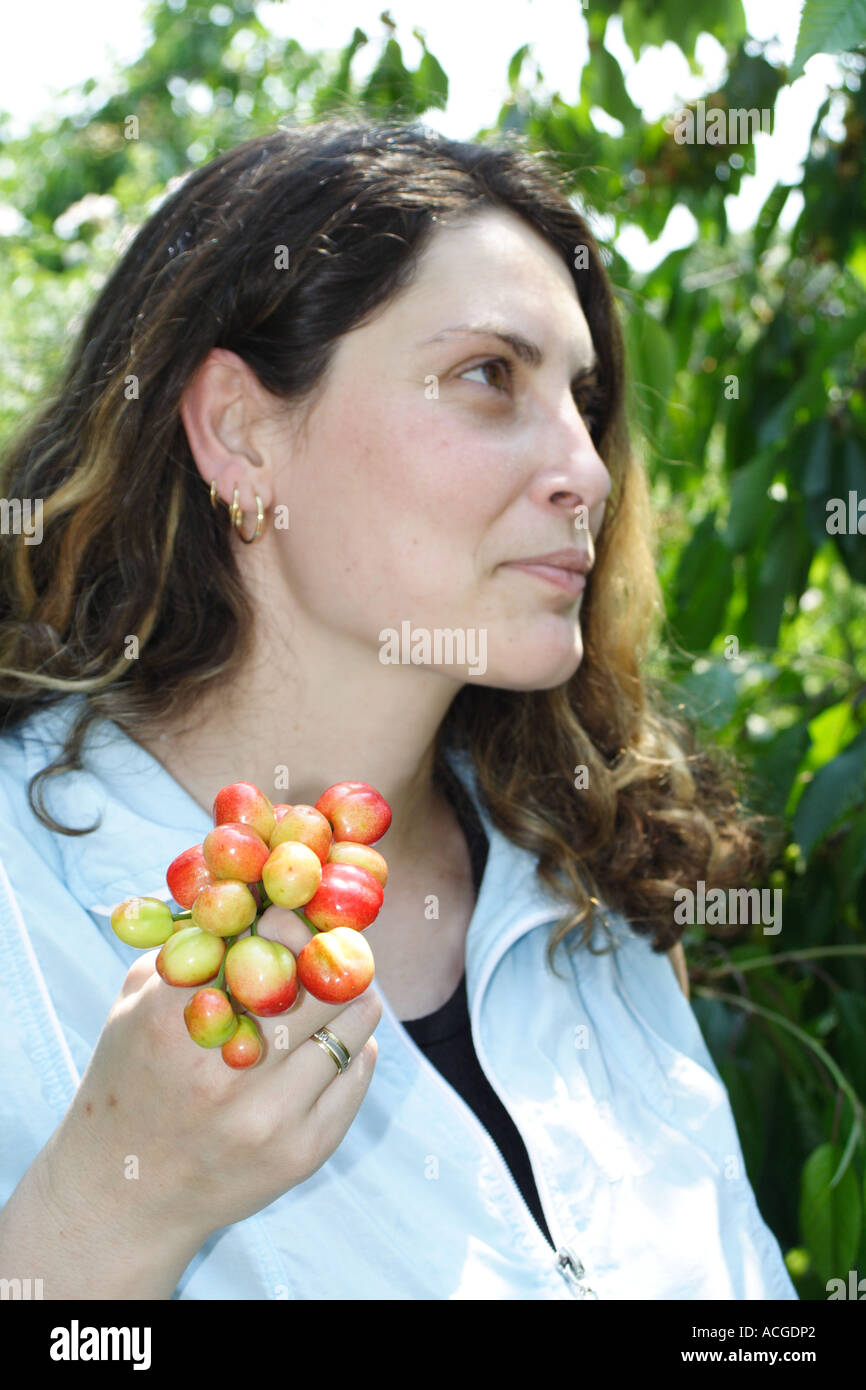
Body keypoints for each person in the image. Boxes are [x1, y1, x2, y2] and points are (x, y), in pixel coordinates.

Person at [0, 116, 797, 1300]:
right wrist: (103, 1220)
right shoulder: (22, 898)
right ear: (239, 432)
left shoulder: (594, 891)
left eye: (582, 399)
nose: (583, 464)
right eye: (488, 376)